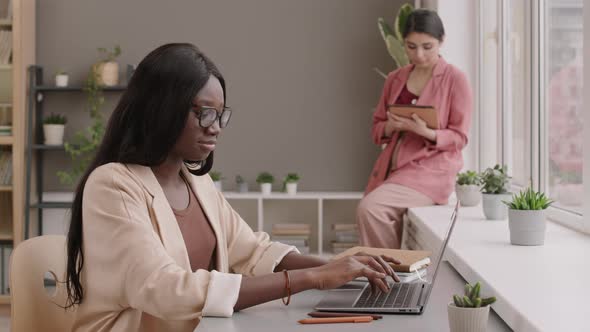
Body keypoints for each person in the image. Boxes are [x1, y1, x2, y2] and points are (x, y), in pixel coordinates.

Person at [65, 43, 401, 332]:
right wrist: (315, 279)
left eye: (221, 115)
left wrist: (345, 266)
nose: (216, 128)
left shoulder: (196, 181)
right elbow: (165, 289)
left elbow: (252, 250)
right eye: (205, 114)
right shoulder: (111, 186)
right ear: (161, 109)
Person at [357, 9, 472, 249]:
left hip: (431, 171)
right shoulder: (395, 79)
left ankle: (386, 274)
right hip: (395, 169)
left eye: (427, 47)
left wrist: (425, 131)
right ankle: (385, 275)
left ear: (441, 42)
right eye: (411, 47)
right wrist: (392, 125)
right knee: (372, 210)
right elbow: (377, 129)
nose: (418, 55)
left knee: (371, 208)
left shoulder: (455, 79)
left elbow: (460, 137)